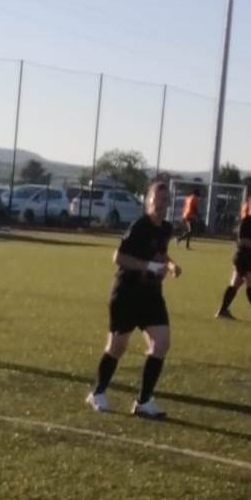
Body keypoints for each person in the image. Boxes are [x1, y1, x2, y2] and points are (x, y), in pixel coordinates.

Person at [85, 179, 182, 419]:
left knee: (161, 343)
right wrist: (148, 266)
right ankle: (97, 393)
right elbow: (118, 257)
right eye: (157, 199)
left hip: (151, 296)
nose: (161, 204)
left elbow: (161, 253)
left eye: (165, 200)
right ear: (147, 201)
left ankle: (144, 401)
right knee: (117, 347)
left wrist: (171, 265)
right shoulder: (140, 226)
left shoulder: (166, 228)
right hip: (127, 294)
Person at [215, 194, 251, 321]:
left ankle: (223, 311)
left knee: (235, 284)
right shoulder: (245, 221)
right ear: (249, 205)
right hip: (243, 257)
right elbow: (242, 240)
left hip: (250, 258)